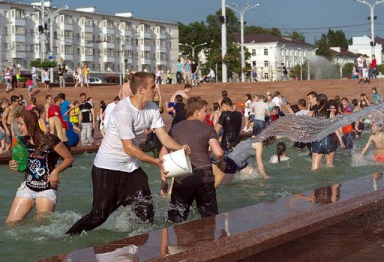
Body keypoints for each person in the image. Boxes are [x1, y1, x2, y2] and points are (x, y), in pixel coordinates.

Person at [66, 72, 190, 235]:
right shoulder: (123, 110)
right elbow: (129, 147)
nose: (156, 90)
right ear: (141, 90)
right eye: (153, 86)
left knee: (146, 211)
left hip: (131, 168)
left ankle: (136, 242)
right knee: (99, 216)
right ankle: (68, 236)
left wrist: (180, 147)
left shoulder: (152, 108)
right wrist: (156, 162)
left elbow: (164, 137)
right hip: (107, 167)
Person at [160, 96, 223, 223]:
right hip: (204, 180)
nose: (207, 114)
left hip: (182, 179)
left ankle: (178, 242)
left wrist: (164, 182)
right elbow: (218, 153)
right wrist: (222, 162)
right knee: (209, 219)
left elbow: (163, 154)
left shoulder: (176, 128)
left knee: (176, 221)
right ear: (196, 112)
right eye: (205, 111)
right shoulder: (208, 128)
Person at [6, 109, 74, 223]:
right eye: (18, 124)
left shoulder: (50, 140)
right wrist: (17, 166)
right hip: (27, 187)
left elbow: (69, 158)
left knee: (40, 227)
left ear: (31, 124)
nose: (19, 127)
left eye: (21, 124)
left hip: (46, 189)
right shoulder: (23, 141)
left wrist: (55, 172)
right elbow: (23, 168)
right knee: (10, 224)